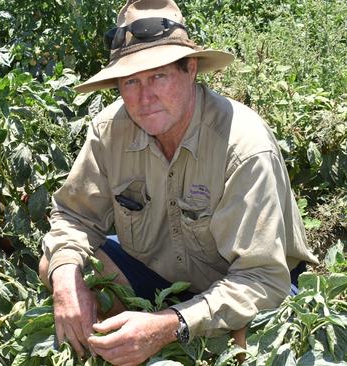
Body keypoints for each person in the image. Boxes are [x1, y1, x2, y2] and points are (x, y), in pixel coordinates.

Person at [39, 0, 318, 365]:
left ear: (191, 71)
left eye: (158, 76)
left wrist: (170, 324)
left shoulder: (243, 146)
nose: (144, 98)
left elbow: (262, 279)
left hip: (251, 289)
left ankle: (159, 338)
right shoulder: (110, 131)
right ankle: (127, 345)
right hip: (161, 279)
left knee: (250, 352)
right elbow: (74, 218)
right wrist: (65, 281)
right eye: (131, 82)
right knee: (60, 265)